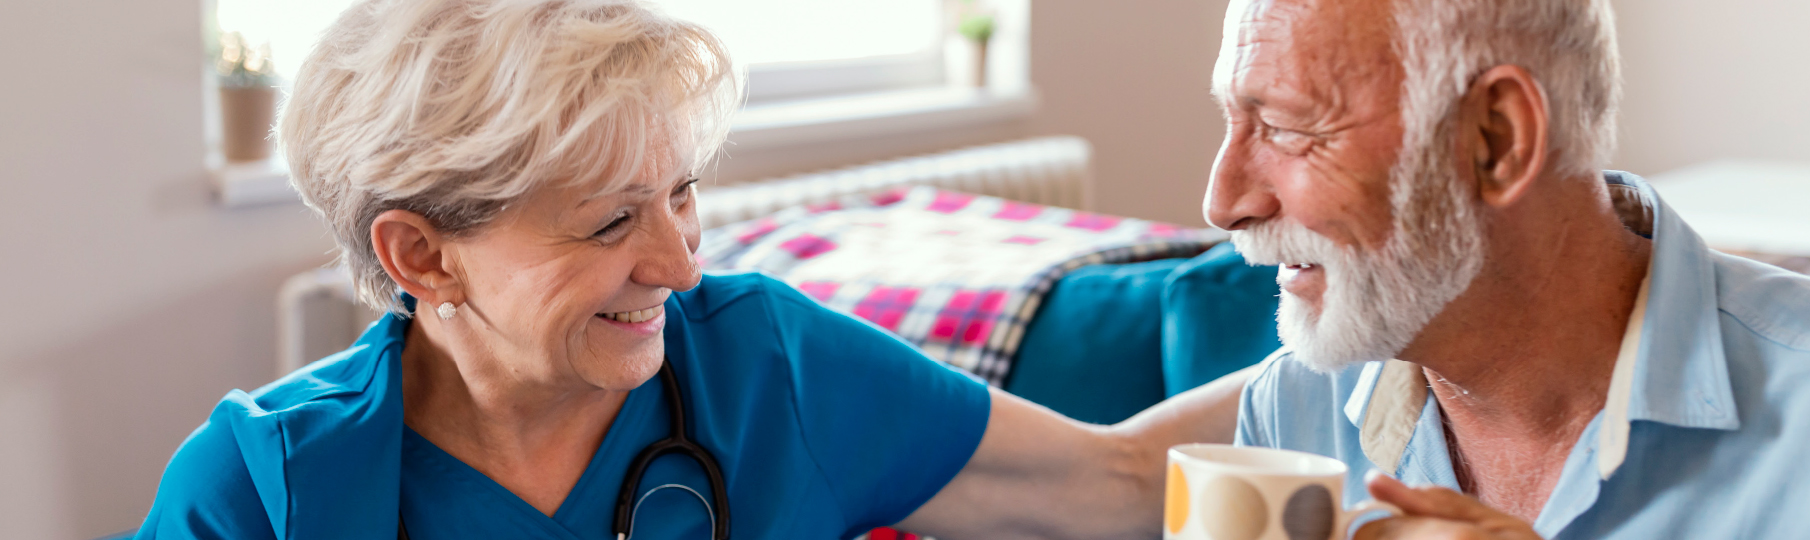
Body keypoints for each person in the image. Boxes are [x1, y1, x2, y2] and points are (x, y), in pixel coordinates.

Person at [133, 0, 1248, 537]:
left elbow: (1116, 485)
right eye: (611, 221)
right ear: (421, 254)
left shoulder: (764, 362)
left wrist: (1377, 338)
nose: (676, 262)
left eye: (681, 193)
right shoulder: (263, 491)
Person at [1208, 0, 1810, 538]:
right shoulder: (1297, 410)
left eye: (1286, 128)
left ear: (1497, 140)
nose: (1223, 201)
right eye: (1232, 123)